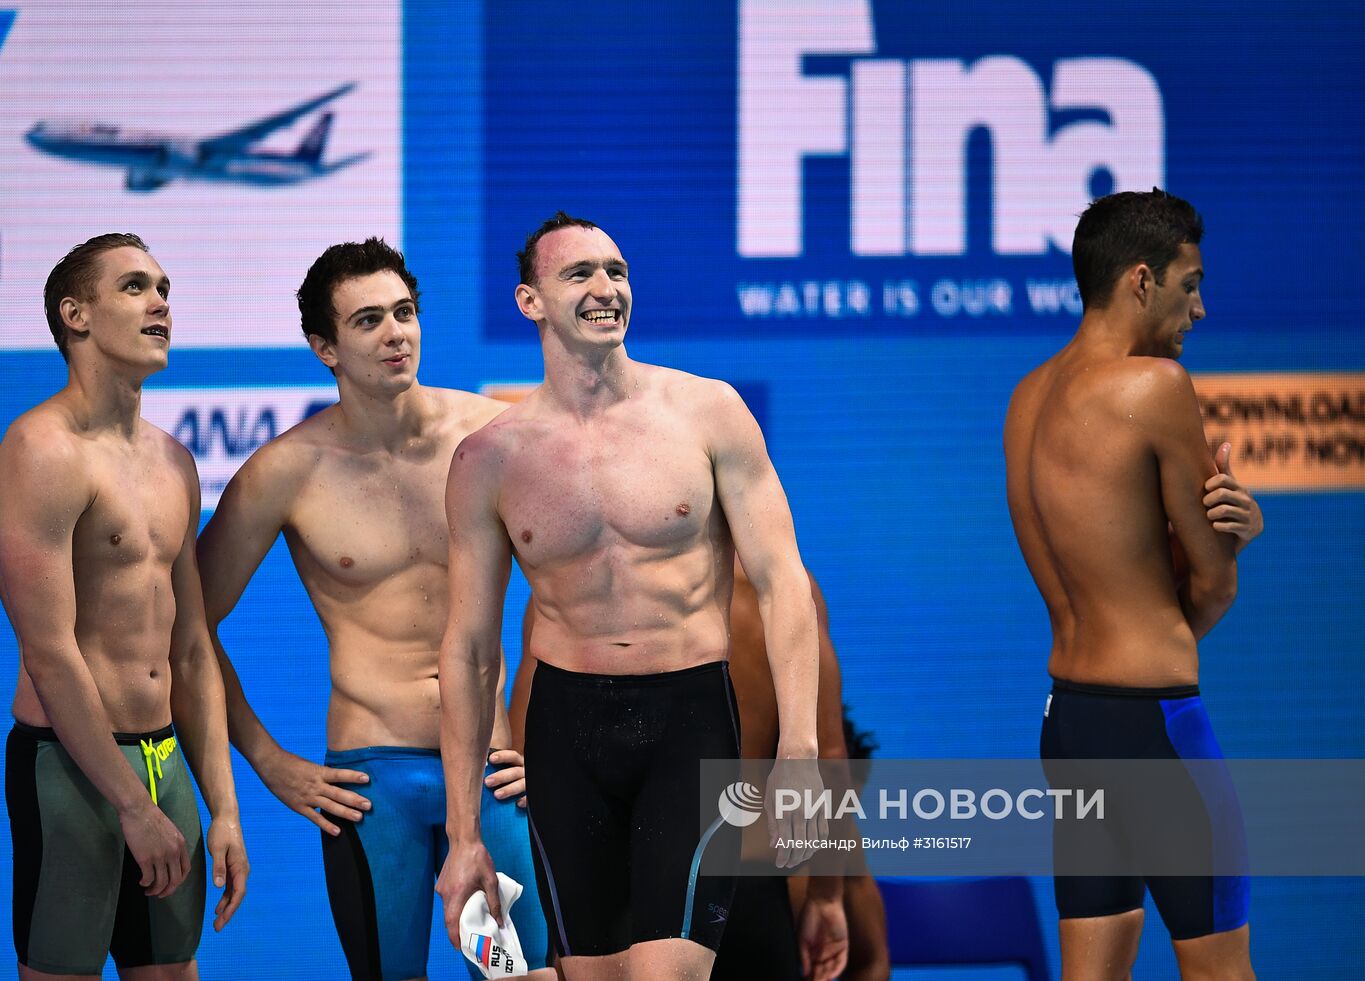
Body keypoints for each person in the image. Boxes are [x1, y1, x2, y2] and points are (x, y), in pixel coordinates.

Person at [437, 212, 825, 981]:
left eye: (615, 271)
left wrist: (802, 747)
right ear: (530, 301)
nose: (605, 288)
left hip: (689, 719)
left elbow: (783, 582)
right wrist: (464, 834)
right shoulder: (490, 458)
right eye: (578, 274)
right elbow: (471, 647)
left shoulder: (707, 412)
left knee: (669, 974)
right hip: (565, 731)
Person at [196, 239, 551, 981]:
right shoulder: (285, 473)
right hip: (372, 784)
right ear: (324, 346)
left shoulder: (492, 438)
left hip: (489, 775)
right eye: (367, 322)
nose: (396, 333)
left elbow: (577, 595)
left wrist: (556, 737)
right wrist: (265, 759)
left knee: (521, 976)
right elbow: (182, 629)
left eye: (404, 312)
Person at [1004, 190, 1264, 981]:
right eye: (1190, 285)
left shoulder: (1025, 398)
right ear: (1142, 281)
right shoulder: (1155, 387)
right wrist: (1236, 538)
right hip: (1157, 731)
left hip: (1071, 726)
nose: (1201, 308)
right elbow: (1213, 588)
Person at [0, 233, 248, 979]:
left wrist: (223, 807)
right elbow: (48, 651)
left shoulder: (174, 459)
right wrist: (132, 807)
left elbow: (193, 646)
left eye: (165, 288)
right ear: (75, 315)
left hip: (164, 756)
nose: (162, 303)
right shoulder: (41, 449)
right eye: (136, 287)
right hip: (71, 772)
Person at [508, 557, 861, 981]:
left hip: (611, 882)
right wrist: (826, 897)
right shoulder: (781, 585)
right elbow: (828, 757)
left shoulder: (571, 576)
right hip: (743, 873)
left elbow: (523, 764)